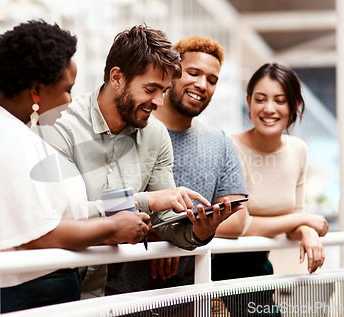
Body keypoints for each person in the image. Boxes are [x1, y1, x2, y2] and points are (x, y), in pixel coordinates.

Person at [0, 20, 150, 316]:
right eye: (67, 90)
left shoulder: (15, 132)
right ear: (36, 90)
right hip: (16, 295)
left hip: (22, 291)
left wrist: (106, 233)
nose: (70, 101)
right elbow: (38, 235)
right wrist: (113, 226)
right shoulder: (4, 140)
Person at [37, 25, 239, 299]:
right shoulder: (60, 124)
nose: (158, 101)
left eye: (164, 91)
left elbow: (165, 220)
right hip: (50, 289)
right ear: (117, 77)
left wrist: (199, 230)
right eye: (151, 88)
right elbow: (56, 218)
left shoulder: (155, 135)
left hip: (108, 297)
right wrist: (145, 201)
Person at [105, 36, 249, 295]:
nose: (202, 84)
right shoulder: (129, 129)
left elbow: (236, 220)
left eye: (212, 80)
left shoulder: (220, 143)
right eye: (193, 73)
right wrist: (164, 234)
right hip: (120, 293)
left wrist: (179, 236)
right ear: (171, 76)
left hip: (188, 294)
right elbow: (108, 205)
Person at [214, 63, 329, 316]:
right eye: (260, 99)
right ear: (248, 102)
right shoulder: (228, 146)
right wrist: (304, 220)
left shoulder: (298, 149)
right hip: (219, 270)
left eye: (280, 100)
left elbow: (293, 223)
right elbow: (238, 225)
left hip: (261, 269)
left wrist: (307, 231)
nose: (269, 109)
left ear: (294, 105)